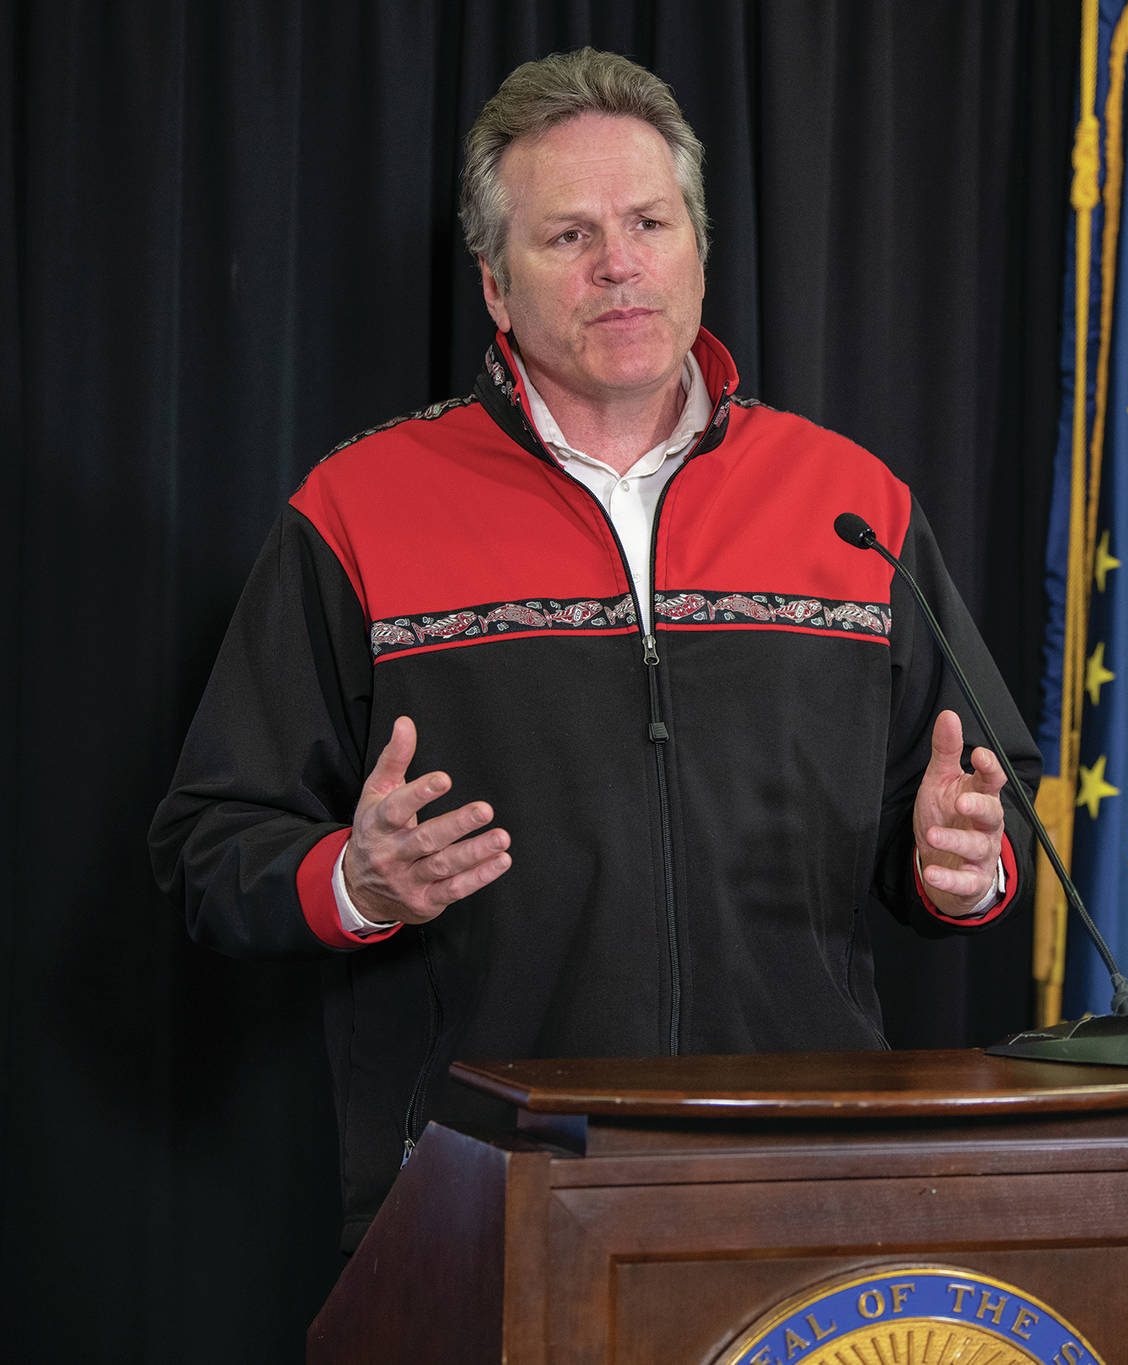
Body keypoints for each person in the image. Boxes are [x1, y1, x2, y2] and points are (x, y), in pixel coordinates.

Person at [149, 48, 1037, 1253]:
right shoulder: (358, 510)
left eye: (647, 223)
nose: (618, 264)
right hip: (485, 1194)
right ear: (496, 288)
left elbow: (981, 820)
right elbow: (209, 844)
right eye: (567, 236)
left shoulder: (851, 500)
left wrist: (958, 870)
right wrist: (357, 884)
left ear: (699, 252)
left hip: (804, 1178)